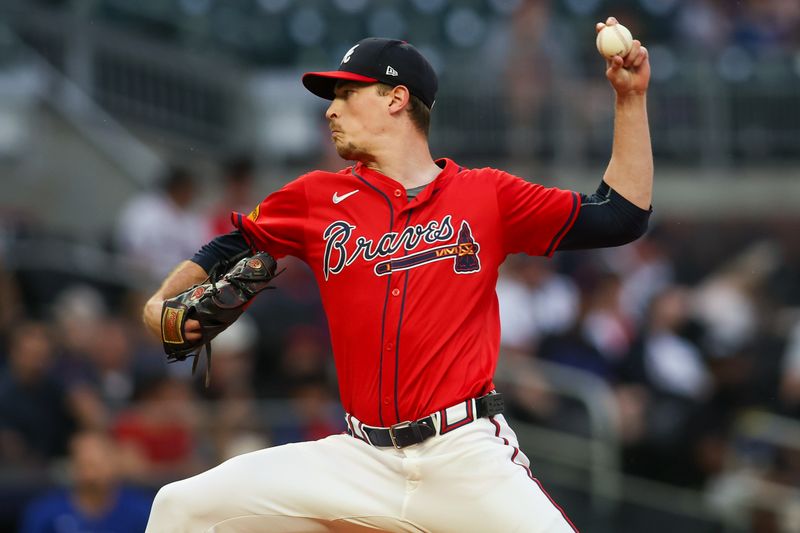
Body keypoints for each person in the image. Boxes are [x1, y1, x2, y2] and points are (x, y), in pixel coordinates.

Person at [143, 18, 652, 532]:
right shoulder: (314, 197)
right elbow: (228, 247)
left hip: (463, 455)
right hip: (358, 460)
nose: (331, 109)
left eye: (346, 93)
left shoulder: (486, 195)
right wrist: (158, 303)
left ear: (396, 99)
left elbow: (620, 215)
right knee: (180, 509)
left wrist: (629, 101)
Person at [18, 430, 153, 533]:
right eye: (84, 464)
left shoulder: (141, 510)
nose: (92, 474)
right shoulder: (45, 510)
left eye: (98, 465)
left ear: (115, 465)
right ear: (72, 466)